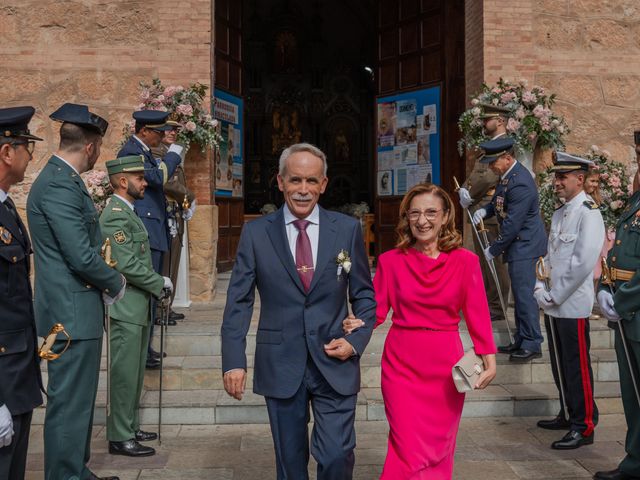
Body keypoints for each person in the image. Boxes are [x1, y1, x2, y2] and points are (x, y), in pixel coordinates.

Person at [220, 143, 376, 480]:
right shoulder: (256, 233)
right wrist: (234, 359)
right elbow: (239, 301)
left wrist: (357, 339)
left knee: (337, 454)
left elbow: (364, 295)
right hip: (280, 362)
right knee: (290, 465)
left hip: (335, 360)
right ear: (280, 181)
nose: (302, 190)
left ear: (323, 183)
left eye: (311, 181)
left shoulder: (347, 230)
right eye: (295, 181)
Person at [345, 183, 496, 479]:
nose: (422, 220)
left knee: (440, 447)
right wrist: (357, 321)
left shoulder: (467, 262)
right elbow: (376, 311)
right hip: (401, 366)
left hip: (445, 370)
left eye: (430, 212)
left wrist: (489, 357)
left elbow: (478, 314)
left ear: (444, 217)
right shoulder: (390, 261)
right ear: (407, 218)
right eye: (415, 213)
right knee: (407, 446)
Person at [27, 103, 125, 480]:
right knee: (69, 402)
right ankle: (65, 475)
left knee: (79, 400)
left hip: (73, 311)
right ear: (91, 146)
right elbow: (80, 254)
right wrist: (116, 284)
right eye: (99, 147)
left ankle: (75, 472)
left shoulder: (63, 181)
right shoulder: (57, 184)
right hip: (67, 317)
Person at [100, 155, 174, 457]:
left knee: (134, 374)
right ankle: (120, 436)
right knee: (124, 375)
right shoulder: (115, 215)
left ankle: (129, 427)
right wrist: (159, 282)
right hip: (125, 306)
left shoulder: (128, 212)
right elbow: (126, 263)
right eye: (139, 178)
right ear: (122, 181)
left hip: (136, 305)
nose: (145, 182)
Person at [533, 152, 605, 450]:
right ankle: (568, 412)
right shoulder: (561, 212)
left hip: (571, 303)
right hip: (553, 301)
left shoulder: (589, 213)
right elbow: (550, 257)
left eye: (562, 177)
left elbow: (582, 262)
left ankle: (584, 425)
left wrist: (554, 294)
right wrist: (540, 286)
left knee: (576, 366)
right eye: (556, 177)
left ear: (580, 179)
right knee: (560, 363)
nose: (557, 182)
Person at [473, 136, 548, 362]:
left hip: (526, 245)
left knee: (524, 296)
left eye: (494, 162)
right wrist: (485, 211)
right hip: (518, 246)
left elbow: (514, 223)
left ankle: (533, 342)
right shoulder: (508, 177)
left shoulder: (521, 182)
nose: (491, 166)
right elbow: (498, 201)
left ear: (507, 158)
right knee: (520, 293)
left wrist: (493, 249)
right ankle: (521, 338)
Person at [118, 110, 182, 368]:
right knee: (147, 290)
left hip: (154, 227)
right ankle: (142, 352)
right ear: (144, 130)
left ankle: (146, 349)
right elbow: (157, 178)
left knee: (153, 292)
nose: (162, 136)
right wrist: (175, 154)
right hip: (146, 228)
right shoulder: (131, 152)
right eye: (158, 131)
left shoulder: (143, 151)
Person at [0, 107, 43, 480]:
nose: (31, 156)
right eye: (27, 146)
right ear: (7, 153)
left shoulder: (7, 207)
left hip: (17, 375)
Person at [594, 135, 640, 480]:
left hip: (635, 310)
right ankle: (634, 461)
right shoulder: (637, 200)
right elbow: (620, 250)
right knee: (632, 396)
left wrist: (622, 299)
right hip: (628, 314)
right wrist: (605, 287)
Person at [458, 103, 511, 323]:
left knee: (494, 261)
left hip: (491, 208)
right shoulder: (489, 146)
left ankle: (497, 307)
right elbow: (478, 173)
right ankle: (491, 304)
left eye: (486, 119)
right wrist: (464, 188)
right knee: (484, 261)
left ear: (500, 120)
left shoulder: (507, 145)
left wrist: (470, 193)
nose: (482, 123)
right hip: (481, 207)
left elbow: (491, 176)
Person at [151, 121, 196, 322]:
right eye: (168, 129)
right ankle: (160, 309)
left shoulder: (171, 151)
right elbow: (168, 183)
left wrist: (185, 203)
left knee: (174, 260)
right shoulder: (157, 152)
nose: (172, 133)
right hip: (165, 211)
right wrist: (190, 196)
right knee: (166, 261)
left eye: (176, 130)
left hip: (175, 211)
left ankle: (166, 307)